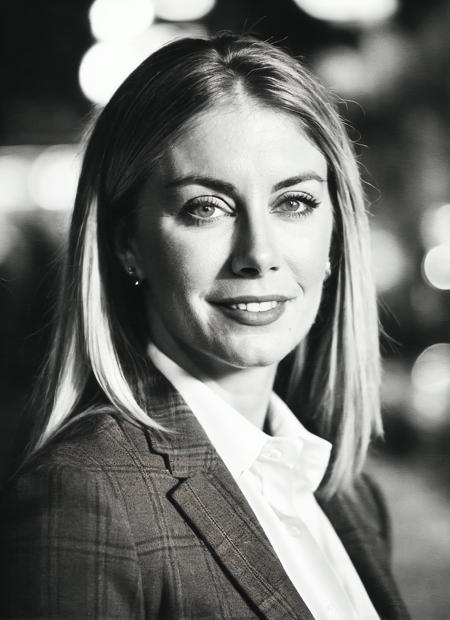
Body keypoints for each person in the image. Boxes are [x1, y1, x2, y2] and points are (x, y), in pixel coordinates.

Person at [0, 34, 410, 619]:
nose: (258, 253)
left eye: (294, 202)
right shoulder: (84, 497)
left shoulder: (350, 498)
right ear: (127, 246)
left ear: (335, 235)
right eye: (206, 207)